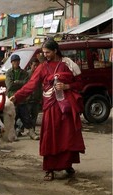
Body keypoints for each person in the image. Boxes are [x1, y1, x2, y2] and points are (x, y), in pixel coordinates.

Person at [10, 39, 85, 181]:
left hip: (65, 107)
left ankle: (67, 165)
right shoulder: (42, 67)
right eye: (44, 52)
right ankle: (50, 169)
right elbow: (31, 85)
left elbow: (80, 83)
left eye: (48, 52)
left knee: (67, 136)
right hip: (50, 107)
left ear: (55, 50)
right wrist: (17, 96)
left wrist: (67, 87)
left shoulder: (68, 64)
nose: (45, 55)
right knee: (50, 137)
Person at [5, 54, 39, 140]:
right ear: (11, 62)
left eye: (17, 61)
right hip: (12, 99)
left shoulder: (24, 72)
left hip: (22, 99)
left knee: (26, 116)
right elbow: (9, 85)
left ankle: (31, 133)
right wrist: (20, 83)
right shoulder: (9, 72)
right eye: (14, 61)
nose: (16, 62)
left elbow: (27, 84)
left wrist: (16, 82)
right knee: (13, 117)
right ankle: (13, 134)